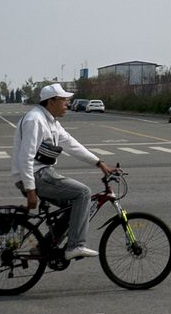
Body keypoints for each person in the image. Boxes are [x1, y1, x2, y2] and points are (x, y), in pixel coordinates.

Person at [12, 82, 114, 260]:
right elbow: (25, 158)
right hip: (36, 176)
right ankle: (75, 246)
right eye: (63, 100)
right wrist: (30, 190)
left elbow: (72, 145)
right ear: (51, 101)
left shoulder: (50, 121)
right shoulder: (35, 120)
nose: (67, 104)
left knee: (75, 205)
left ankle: (42, 247)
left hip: (42, 174)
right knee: (83, 193)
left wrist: (99, 163)